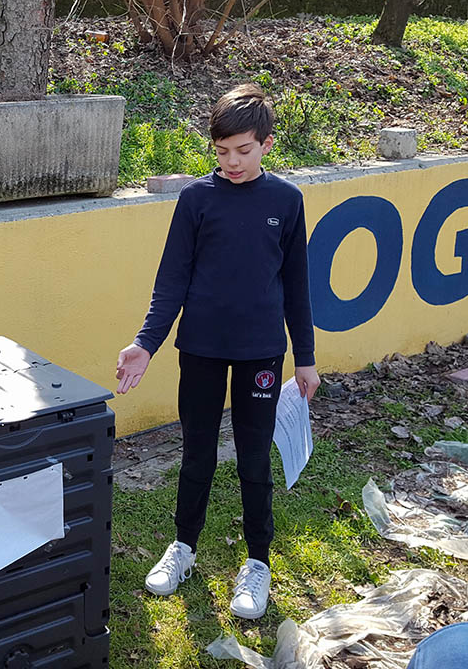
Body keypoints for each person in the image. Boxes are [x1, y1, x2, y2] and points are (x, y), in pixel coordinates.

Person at [114, 83, 319, 620]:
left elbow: (297, 285)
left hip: (261, 355)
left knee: (254, 457)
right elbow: (171, 281)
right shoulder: (195, 201)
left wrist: (306, 357)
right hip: (201, 349)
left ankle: (257, 564)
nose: (232, 161)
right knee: (197, 452)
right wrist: (144, 344)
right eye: (222, 151)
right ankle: (183, 547)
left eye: (243, 150)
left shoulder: (287, 201)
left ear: (267, 144)